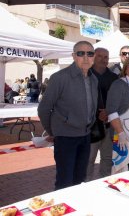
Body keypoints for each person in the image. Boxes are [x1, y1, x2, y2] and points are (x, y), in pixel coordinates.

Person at [38, 41, 98, 190]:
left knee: (79, 180)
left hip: (85, 136)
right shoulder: (60, 78)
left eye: (89, 53)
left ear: (93, 57)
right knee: (64, 182)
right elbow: (44, 109)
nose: (86, 57)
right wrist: (54, 131)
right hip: (65, 138)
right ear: (73, 56)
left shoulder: (93, 79)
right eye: (80, 53)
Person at [86, 48, 118, 180]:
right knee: (88, 160)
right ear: (93, 57)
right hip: (91, 127)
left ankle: (103, 183)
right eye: (100, 56)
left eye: (106, 57)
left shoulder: (114, 78)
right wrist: (95, 115)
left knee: (107, 158)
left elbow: (119, 100)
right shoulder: (86, 75)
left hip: (109, 126)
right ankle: (85, 184)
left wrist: (109, 112)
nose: (103, 59)